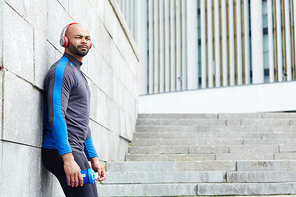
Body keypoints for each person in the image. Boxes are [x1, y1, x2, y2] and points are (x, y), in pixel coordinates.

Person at [42, 23, 106, 197]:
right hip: (61, 150)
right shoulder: (62, 70)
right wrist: (68, 159)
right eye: (78, 37)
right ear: (65, 40)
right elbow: (56, 115)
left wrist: (93, 157)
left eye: (87, 38)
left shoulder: (77, 72)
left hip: (76, 150)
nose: (84, 41)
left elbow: (81, 122)